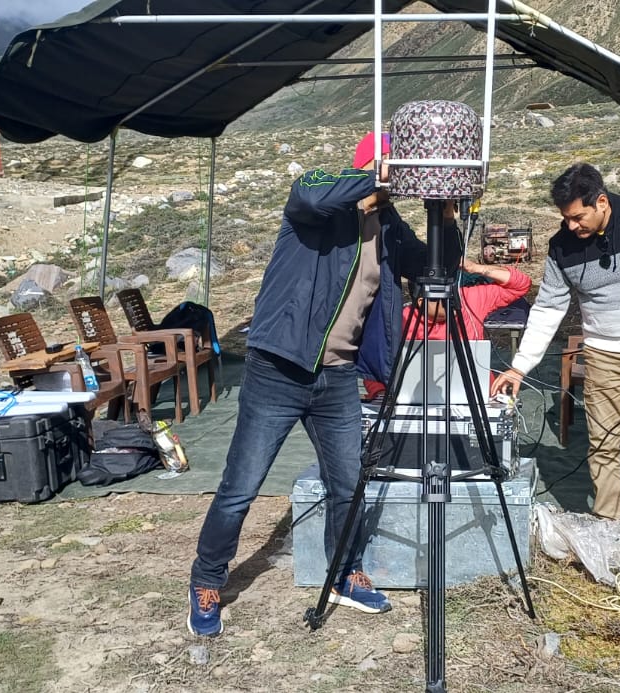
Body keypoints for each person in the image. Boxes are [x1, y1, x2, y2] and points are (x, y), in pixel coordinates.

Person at [187, 132, 438, 636]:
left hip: (339, 377)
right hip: (278, 368)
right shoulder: (317, 203)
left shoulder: (388, 227)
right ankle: (206, 580)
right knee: (241, 487)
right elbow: (310, 193)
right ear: (372, 168)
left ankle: (344, 574)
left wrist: (446, 210)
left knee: (348, 485)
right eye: (393, 169)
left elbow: (432, 266)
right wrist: (380, 178)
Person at [490, 163, 620, 558]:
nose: (572, 226)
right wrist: (520, 365)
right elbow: (548, 308)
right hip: (604, 354)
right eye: (565, 219)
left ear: (601, 201)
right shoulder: (561, 248)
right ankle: (608, 525)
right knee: (602, 443)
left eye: (578, 216)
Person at [359, 258, 532, 400]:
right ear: (421, 302)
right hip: (414, 399)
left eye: (451, 294)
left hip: (477, 395)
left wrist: (476, 268)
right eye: (440, 298)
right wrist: (380, 392)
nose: (449, 302)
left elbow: (521, 285)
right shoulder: (402, 318)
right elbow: (375, 358)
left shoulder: (469, 299)